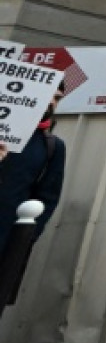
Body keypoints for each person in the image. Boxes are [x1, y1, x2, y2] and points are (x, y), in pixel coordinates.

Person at [0, 79, 65, 256]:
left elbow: (47, 197)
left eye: (57, 98)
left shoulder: (52, 147)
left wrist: (25, 237)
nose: (52, 102)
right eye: (47, 94)